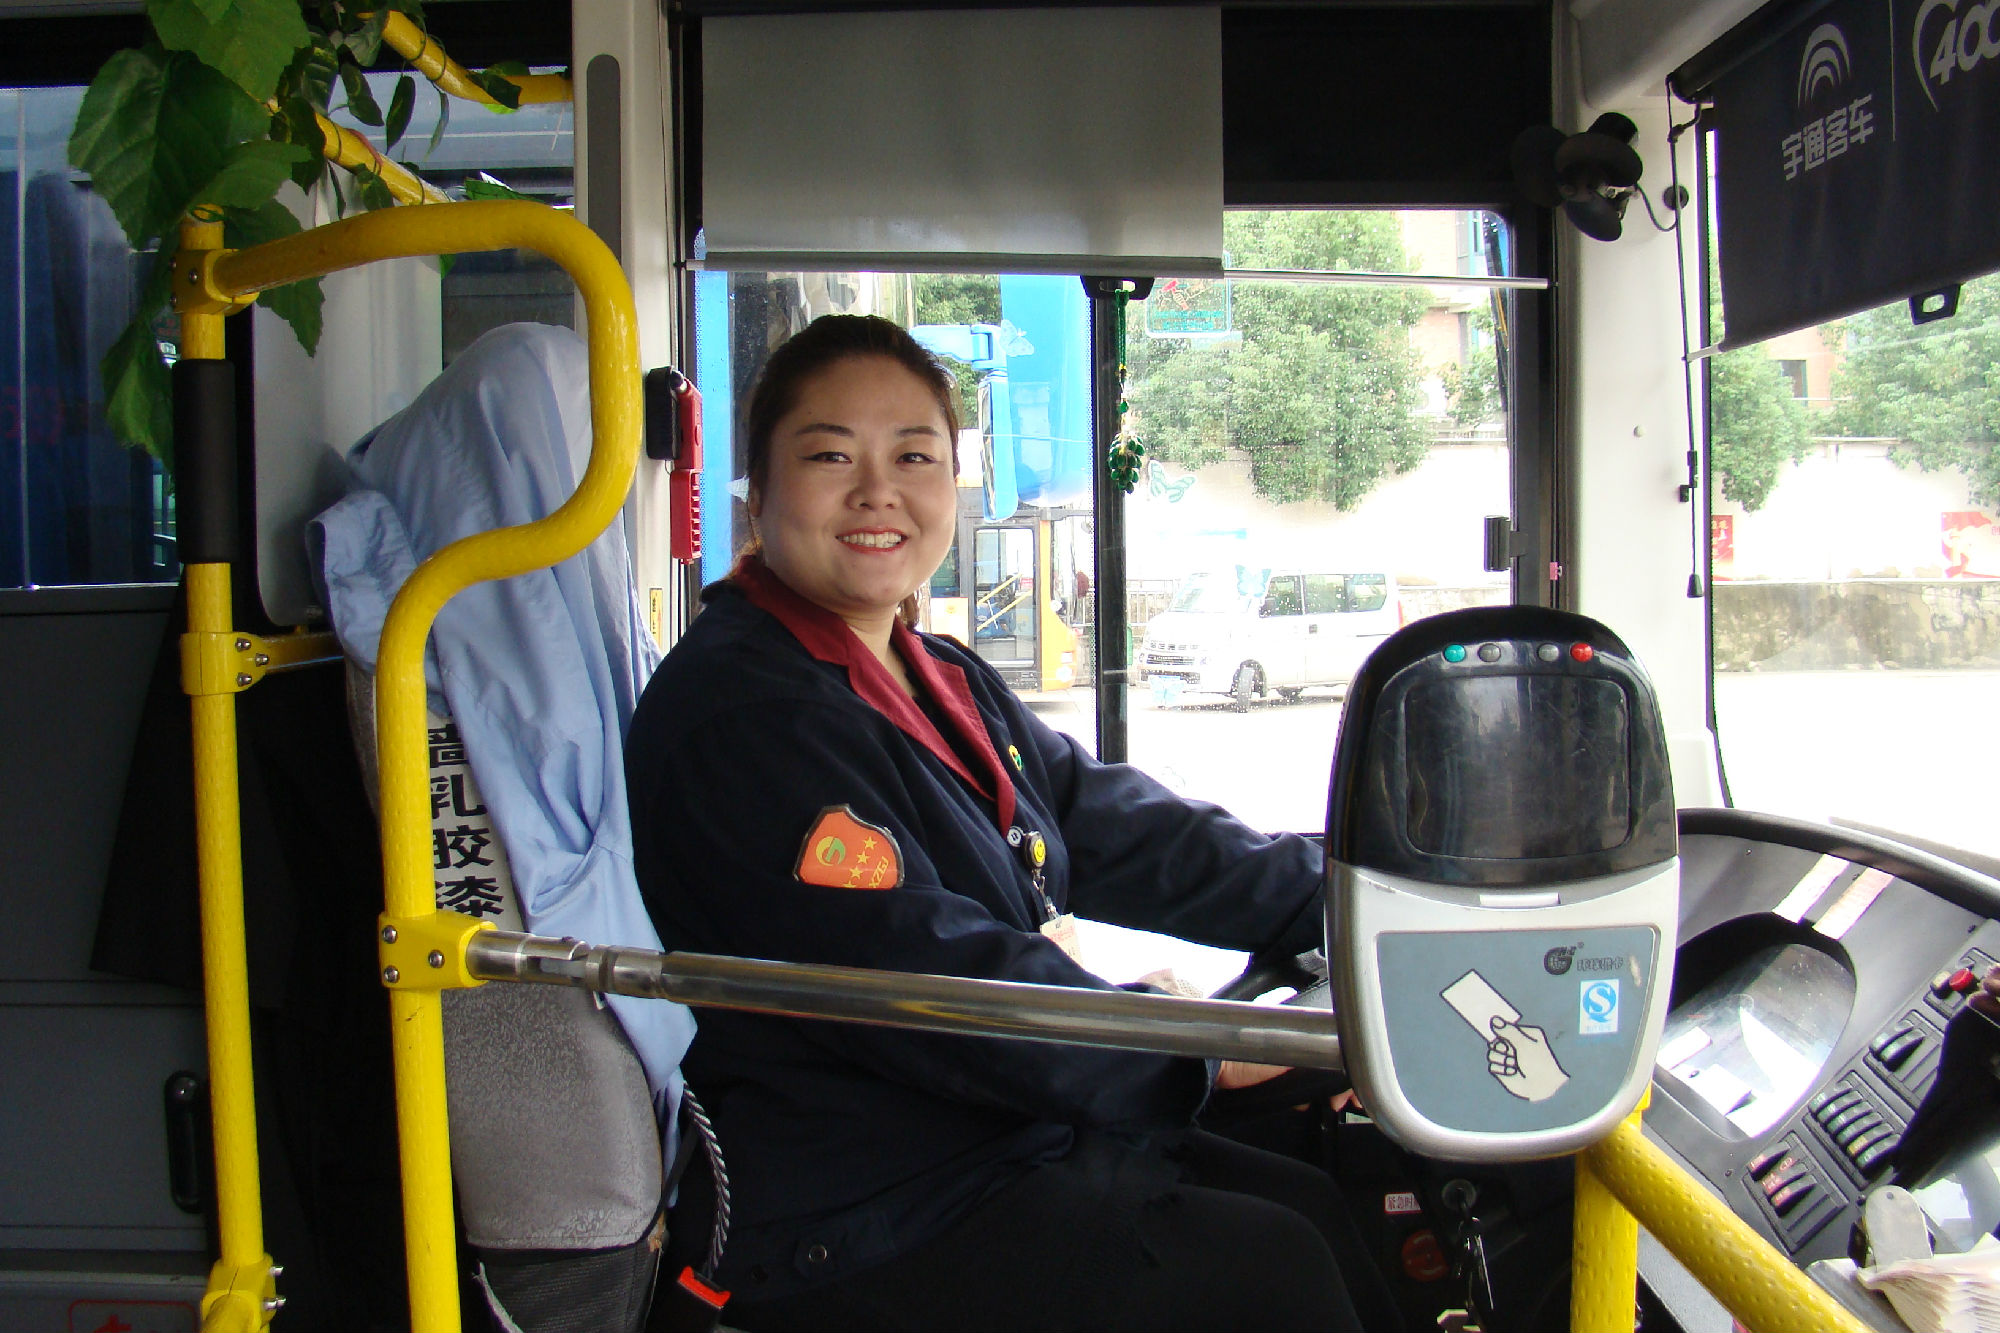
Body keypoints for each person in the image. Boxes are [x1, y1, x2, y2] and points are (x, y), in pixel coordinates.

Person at [626, 315, 1394, 1332]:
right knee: (1276, 1269)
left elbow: (1115, 825)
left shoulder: (935, 672)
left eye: (914, 456)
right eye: (829, 456)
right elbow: (926, 970)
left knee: (1312, 1201)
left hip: (990, 1137)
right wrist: (1195, 1048)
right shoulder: (745, 714)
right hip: (858, 1206)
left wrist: (1351, 896)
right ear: (758, 493)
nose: (877, 491)